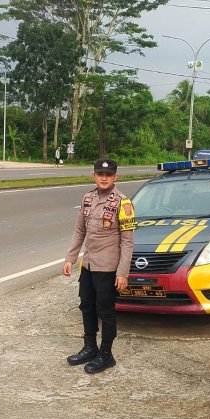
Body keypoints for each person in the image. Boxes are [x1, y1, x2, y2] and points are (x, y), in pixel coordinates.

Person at [63, 158, 136, 374]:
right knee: (86, 305)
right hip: (89, 265)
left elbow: (127, 241)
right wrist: (70, 258)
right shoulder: (87, 198)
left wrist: (123, 273)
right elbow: (79, 231)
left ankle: (106, 354)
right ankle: (90, 347)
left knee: (106, 311)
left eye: (109, 175)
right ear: (93, 175)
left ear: (116, 177)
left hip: (108, 268)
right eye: (100, 174)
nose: (104, 178)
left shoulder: (124, 203)